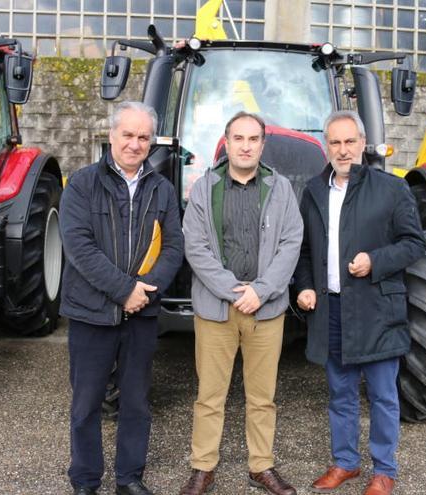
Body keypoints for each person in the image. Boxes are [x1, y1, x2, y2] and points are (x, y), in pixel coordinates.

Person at [293, 111, 425, 495]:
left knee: (383, 394)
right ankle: (346, 463)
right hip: (332, 309)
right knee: (341, 392)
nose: (343, 149)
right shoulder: (314, 191)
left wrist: (376, 260)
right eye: (335, 142)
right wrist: (305, 286)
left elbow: (414, 243)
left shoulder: (391, 189)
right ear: (326, 146)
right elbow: (304, 252)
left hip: (377, 309)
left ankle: (384, 470)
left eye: (350, 141)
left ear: (362, 144)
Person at [59, 101, 184, 495]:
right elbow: (79, 247)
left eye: (143, 137)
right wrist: (124, 290)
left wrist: (143, 293)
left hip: (141, 316)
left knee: (136, 403)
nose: (134, 144)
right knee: (86, 405)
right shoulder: (82, 183)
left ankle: (129, 478)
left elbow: (174, 248)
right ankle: (85, 479)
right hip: (91, 313)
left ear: (152, 142)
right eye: (127, 135)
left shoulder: (162, 189)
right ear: (111, 136)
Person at [178, 111, 303, 495]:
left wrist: (260, 291)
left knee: (262, 397)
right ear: (226, 142)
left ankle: (260, 466)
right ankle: (203, 468)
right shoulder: (205, 188)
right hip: (217, 309)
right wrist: (234, 291)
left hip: (266, 310)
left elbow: (291, 243)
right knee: (210, 396)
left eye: (253, 139)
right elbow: (195, 247)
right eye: (239, 138)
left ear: (263, 145)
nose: (246, 146)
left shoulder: (280, 188)